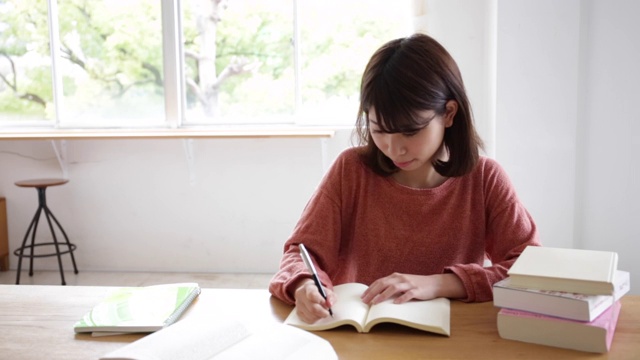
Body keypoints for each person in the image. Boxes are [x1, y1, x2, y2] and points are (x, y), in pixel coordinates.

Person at [269, 33, 541, 324]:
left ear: (448, 113)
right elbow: (300, 254)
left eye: (410, 132)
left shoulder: (485, 179)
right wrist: (304, 285)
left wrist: (437, 283)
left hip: (453, 340)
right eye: (380, 130)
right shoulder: (351, 171)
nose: (394, 148)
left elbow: (531, 272)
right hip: (359, 341)